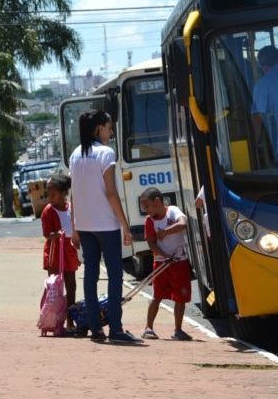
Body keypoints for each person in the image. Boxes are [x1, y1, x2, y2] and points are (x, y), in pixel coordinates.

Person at [69, 109, 140, 344]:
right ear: (99, 128)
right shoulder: (106, 153)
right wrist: (125, 225)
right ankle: (116, 328)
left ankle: (96, 328)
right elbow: (111, 193)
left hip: (85, 224)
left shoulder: (75, 155)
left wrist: (75, 227)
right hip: (105, 224)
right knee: (115, 275)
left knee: (90, 275)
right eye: (109, 127)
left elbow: (74, 196)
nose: (111, 132)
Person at [139, 187, 193, 341]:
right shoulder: (149, 221)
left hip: (179, 262)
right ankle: (148, 327)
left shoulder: (173, 211)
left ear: (157, 201)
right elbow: (152, 244)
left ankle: (178, 329)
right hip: (162, 263)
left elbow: (183, 223)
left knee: (180, 297)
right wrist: (165, 256)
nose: (146, 210)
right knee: (157, 295)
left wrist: (165, 231)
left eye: (147, 206)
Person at [40, 173, 79, 331]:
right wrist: (56, 234)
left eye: (53, 194)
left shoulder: (72, 208)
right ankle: (53, 320)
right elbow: (46, 234)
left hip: (69, 251)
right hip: (55, 252)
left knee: (71, 285)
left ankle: (70, 319)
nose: (50, 198)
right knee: (54, 286)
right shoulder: (48, 211)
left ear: (63, 193)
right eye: (48, 194)